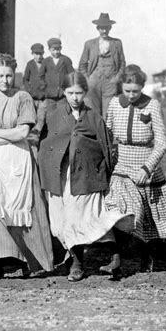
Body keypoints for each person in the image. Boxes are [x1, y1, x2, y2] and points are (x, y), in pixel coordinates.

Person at [38, 71, 133, 282]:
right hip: (61, 177)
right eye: (70, 92)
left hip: (85, 177)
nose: (74, 98)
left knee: (82, 218)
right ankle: (108, 255)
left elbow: (106, 147)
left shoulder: (93, 117)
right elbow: (46, 145)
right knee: (61, 222)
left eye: (79, 93)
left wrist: (106, 175)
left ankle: (78, 264)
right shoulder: (54, 116)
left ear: (85, 93)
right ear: (64, 92)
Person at [0, 52, 54, 281]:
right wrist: (9, 135)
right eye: (0, 76)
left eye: (9, 76)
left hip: (18, 158)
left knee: (21, 209)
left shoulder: (23, 98)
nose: (5, 81)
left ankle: (29, 260)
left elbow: (24, 132)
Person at [105, 67, 166, 271]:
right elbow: (107, 133)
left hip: (146, 167)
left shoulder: (152, 105)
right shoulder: (113, 104)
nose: (130, 95)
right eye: (127, 90)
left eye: (135, 91)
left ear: (142, 88)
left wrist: (147, 169)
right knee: (119, 209)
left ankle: (148, 256)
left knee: (149, 216)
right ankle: (117, 257)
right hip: (122, 165)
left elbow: (162, 143)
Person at [78, 13, 126, 119]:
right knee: (93, 110)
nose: (104, 31)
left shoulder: (117, 43)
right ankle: (97, 134)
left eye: (106, 28)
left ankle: (107, 134)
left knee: (109, 111)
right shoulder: (90, 44)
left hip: (111, 82)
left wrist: (117, 78)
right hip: (93, 82)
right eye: (101, 28)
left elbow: (122, 63)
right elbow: (82, 65)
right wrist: (88, 79)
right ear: (97, 28)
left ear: (110, 28)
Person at [39, 37, 74, 114]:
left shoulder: (66, 60)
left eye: (58, 49)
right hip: (49, 96)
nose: (56, 52)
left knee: (63, 114)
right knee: (50, 115)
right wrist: (45, 89)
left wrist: (68, 89)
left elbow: (72, 75)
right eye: (53, 50)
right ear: (49, 49)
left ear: (61, 48)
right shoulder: (46, 61)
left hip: (63, 95)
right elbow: (41, 76)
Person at [23, 43, 46, 148]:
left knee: (42, 116)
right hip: (32, 95)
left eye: (40, 54)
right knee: (32, 115)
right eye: (36, 54)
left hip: (43, 96)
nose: (39, 57)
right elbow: (25, 79)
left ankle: (39, 135)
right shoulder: (30, 64)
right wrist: (29, 90)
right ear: (32, 54)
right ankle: (30, 136)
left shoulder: (46, 63)